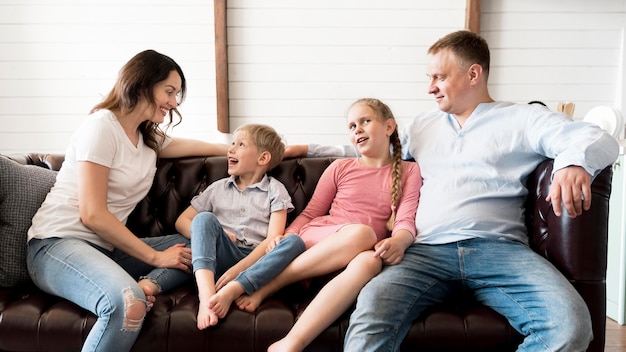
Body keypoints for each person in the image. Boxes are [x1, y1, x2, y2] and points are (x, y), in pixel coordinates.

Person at [287, 30, 620, 351]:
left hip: (501, 251)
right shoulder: (421, 126)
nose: (430, 88)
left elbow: (595, 136)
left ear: (473, 74)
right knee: (370, 313)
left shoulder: (523, 119)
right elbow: (371, 150)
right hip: (424, 252)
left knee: (572, 324)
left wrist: (573, 164)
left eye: (439, 77)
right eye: (429, 78)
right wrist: (306, 147)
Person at [26, 49, 230, 352]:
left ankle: (149, 284)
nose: (174, 103)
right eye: (169, 91)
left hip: (106, 250)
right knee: (130, 303)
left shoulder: (147, 138)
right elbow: (92, 214)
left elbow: (214, 147)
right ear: (143, 83)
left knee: (201, 244)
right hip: (56, 244)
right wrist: (156, 257)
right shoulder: (101, 126)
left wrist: (261, 148)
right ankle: (136, 290)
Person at [231, 98, 422, 352]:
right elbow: (310, 214)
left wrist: (399, 241)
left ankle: (291, 342)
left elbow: (405, 220)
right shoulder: (340, 167)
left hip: (347, 262)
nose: (358, 129)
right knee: (363, 234)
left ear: (389, 127)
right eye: (352, 126)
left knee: (370, 261)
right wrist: (288, 237)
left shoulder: (410, 171)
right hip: (317, 242)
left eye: (366, 121)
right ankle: (270, 283)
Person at [172, 123, 305, 330]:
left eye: (240, 144)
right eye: (232, 144)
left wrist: (238, 271)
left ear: (262, 158)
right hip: (219, 256)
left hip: (256, 263)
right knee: (204, 219)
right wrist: (219, 234)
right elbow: (182, 221)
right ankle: (206, 298)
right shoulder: (217, 188)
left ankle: (233, 290)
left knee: (294, 242)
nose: (230, 149)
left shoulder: (275, 190)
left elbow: (272, 239)